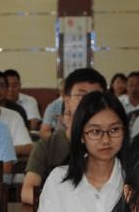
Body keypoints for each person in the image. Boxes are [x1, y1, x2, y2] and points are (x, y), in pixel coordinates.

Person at [28, 92, 128, 212]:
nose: (106, 140)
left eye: (114, 129)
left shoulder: (136, 179)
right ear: (81, 135)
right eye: (95, 132)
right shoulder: (59, 179)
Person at [22, 68, 107, 204]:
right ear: (66, 100)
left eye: (95, 97)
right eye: (81, 95)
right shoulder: (46, 146)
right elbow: (28, 191)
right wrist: (65, 206)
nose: (88, 102)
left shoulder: (111, 143)